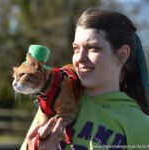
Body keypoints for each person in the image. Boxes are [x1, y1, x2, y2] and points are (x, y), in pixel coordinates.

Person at [21, 7, 149, 150]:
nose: (80, 58)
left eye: (93, 48)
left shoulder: (140, 125)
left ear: (123, 54)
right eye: (76, 49)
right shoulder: (55, 100)